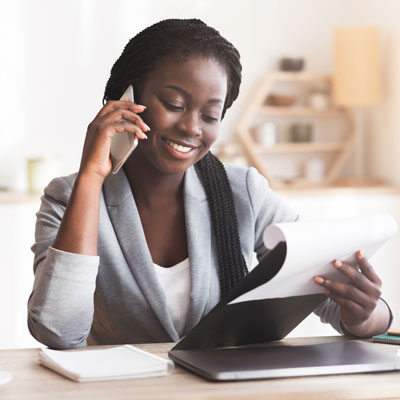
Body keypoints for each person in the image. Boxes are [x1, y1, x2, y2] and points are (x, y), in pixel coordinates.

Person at [28, 19, 392, 350]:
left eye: (210, 115)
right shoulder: (67, 198)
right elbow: (58, 331)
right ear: (126, 98)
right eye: (174, 103)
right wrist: (92, 177)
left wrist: (364, 315)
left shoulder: (242, 191)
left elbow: (329, 294)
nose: (192, 128)